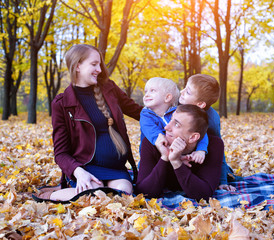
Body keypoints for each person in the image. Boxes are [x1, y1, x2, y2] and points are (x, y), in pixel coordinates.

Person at [34, 44, 143, 202]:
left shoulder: (109, 89)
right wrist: (79, 172)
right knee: (93, 196)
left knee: (122, 197)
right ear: (78, 66)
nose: (99, 69)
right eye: (94, 64)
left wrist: (172, 116)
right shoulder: (62, 103)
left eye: (99, 64)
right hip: (86, 169)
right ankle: (51, 195)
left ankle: (73, 193)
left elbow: (138, 112)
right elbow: (61, 153)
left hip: (116, 169)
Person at [135, 104, 224, 201]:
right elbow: (143, 193)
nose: (166, 127)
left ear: (193, 137)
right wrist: (165, 157)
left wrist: (176, 162)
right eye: (170, 120)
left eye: (177, 124)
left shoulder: (214, 146)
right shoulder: (152, 143)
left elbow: (204, 195)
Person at [179, 74, 236, 191]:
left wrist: (222, 181)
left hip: (198, 160)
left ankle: (226, 172)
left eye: (188, 92)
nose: (181, 92)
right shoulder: (174, 107)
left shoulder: (212, 120)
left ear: (200, 104)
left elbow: (218, 150)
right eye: (184, 87)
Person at [140, 77, 208, 164]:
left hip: (179, 151)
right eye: (146, 91)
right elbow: (152, 132)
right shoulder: (146, 115)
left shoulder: (177, 112)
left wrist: (201, 149)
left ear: (167, 97)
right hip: (153, 156)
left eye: (152, 91)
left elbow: (199, 130)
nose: (146, 95)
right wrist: (159, 137)